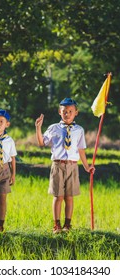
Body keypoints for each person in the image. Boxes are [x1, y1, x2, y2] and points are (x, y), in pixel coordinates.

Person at [35, 98, 95, 234]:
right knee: (58, 196)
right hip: (58, 165)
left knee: (69, 196)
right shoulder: (53, 128)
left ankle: (67, 225)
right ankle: (57, 225)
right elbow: (41, 142)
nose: (67, 114)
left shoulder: (79, 130)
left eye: (70, 111)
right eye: (64, 111)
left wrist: (87, 167)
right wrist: (38, 128)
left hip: (73, 166)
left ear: (76, 113)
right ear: (59, 112)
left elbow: (81, 150)